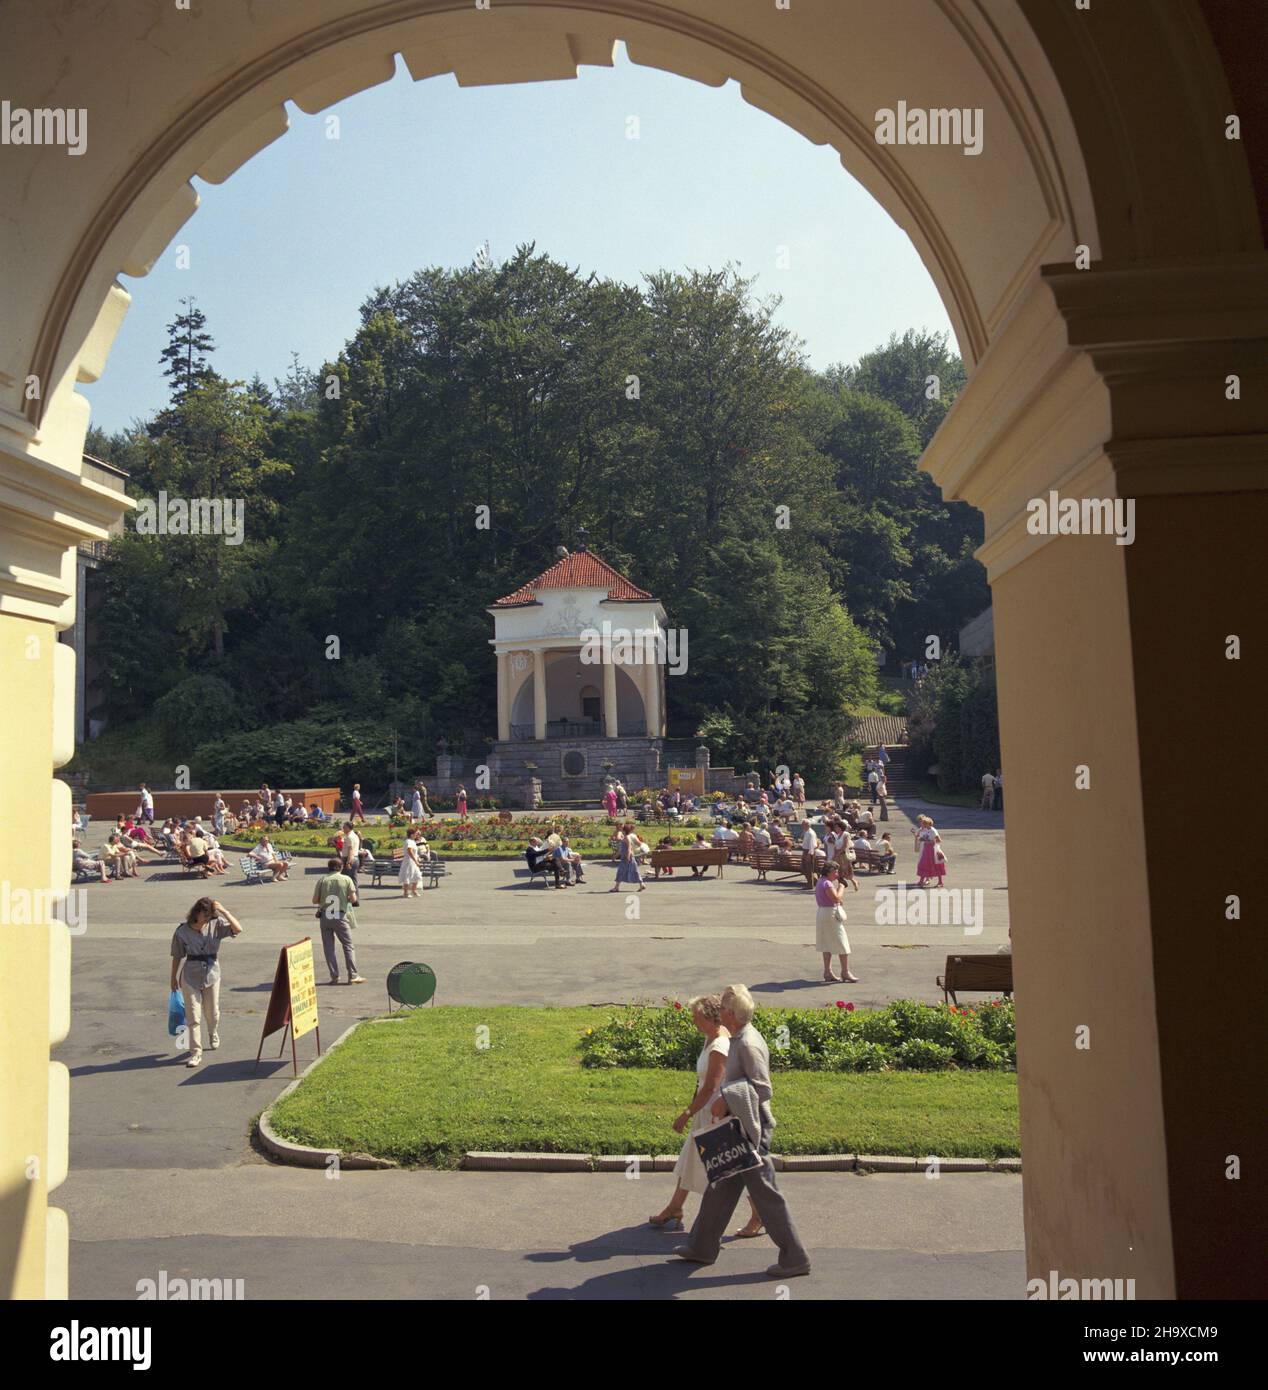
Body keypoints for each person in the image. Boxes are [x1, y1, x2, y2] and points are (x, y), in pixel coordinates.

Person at [673, 984, 811, 1278]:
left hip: (751, 1129)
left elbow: (763, 1088)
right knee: (720, 1185)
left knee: (767, 1197)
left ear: (733, 1014)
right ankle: (701, 1247)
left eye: (722, 1007)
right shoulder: (737, 1036)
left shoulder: (747, 1043)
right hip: (737, 1125)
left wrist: (725, 1098)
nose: (718, 1010)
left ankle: (795, 1258)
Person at [649, 994, 763, 1239]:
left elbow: (711, 1086)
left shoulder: (720, 1045)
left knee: (732, 1167)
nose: (693, 1021)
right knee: (692, 1157)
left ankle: (758, 1212)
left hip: (716, 1113)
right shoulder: (709, 1038)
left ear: (711, 1018)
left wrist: (686, 1113)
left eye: (697, 1017)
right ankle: (675, 1207)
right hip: (706, 1110)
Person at [169, 897, 243, 1067]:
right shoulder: (182, 931)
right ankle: (195, 1053)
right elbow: (177, 955)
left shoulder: (216, 924)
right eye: (205, 915)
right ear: (196, 913)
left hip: (212, 974)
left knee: (212, 1013)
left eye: (210, 915)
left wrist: (224, 911)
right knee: (193, 1016)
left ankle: (213, 1032)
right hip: (190, 976)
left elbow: (238, 929)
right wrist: (173, 977)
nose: (207, 919)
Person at [313, 857, 366, 984]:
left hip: (325, 916)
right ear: (341, 867)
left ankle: (334, 975)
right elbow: (353, 899)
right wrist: (345, 898)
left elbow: (315, 900)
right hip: (340, 916)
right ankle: (352, 975)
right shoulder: (346, 879)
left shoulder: (323, 880)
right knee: (348, 945)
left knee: (329, 947)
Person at [815, 863, 857, 983]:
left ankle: (828, 972)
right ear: (830, 871)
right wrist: (842, 887)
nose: (837, 874)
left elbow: (833, 898)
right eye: (836, 872)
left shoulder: (821, 881)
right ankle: (845, 972)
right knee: (842, 942)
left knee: (826, 943)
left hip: (822, 912)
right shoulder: (827, 883)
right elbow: (836, 898)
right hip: (830, 914)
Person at [611, 823, 646, 893]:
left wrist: (627, 856)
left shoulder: (627, 837)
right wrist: (616, 856)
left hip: (627, 857)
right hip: (627, 857)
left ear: (624, 830)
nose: (621, 829)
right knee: (634, 871)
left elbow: (629, 847)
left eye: (622, 829)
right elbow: (622, 849)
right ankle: (641, 884)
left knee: (621, 871)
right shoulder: (625, 837)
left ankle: (616, 887)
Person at [915, 815, 945, 888]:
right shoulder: (926, 829)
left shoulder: (933, 830)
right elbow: (924, 838)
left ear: (929, 823)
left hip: (932, 850)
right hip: (926, 849)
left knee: (936, 865)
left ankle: (940, 882)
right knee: (924, 864)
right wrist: (921, 839)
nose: (923, 824)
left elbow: (938, 840)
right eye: (923, 823)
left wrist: (928, 841)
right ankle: (922, 881)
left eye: (924, 823)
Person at [399, 830, 424, 897]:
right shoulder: (408, 841)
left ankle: (414, 891)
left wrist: (417, 858)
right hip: (408, 862)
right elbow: (409, 851)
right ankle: (405, 893)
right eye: (415, 834)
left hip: (414, 862)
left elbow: (414, 852)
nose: (417, 835)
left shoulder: (413, 841)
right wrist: (415, 861)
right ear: (411, 834)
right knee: (407, 876)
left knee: (417, 875)